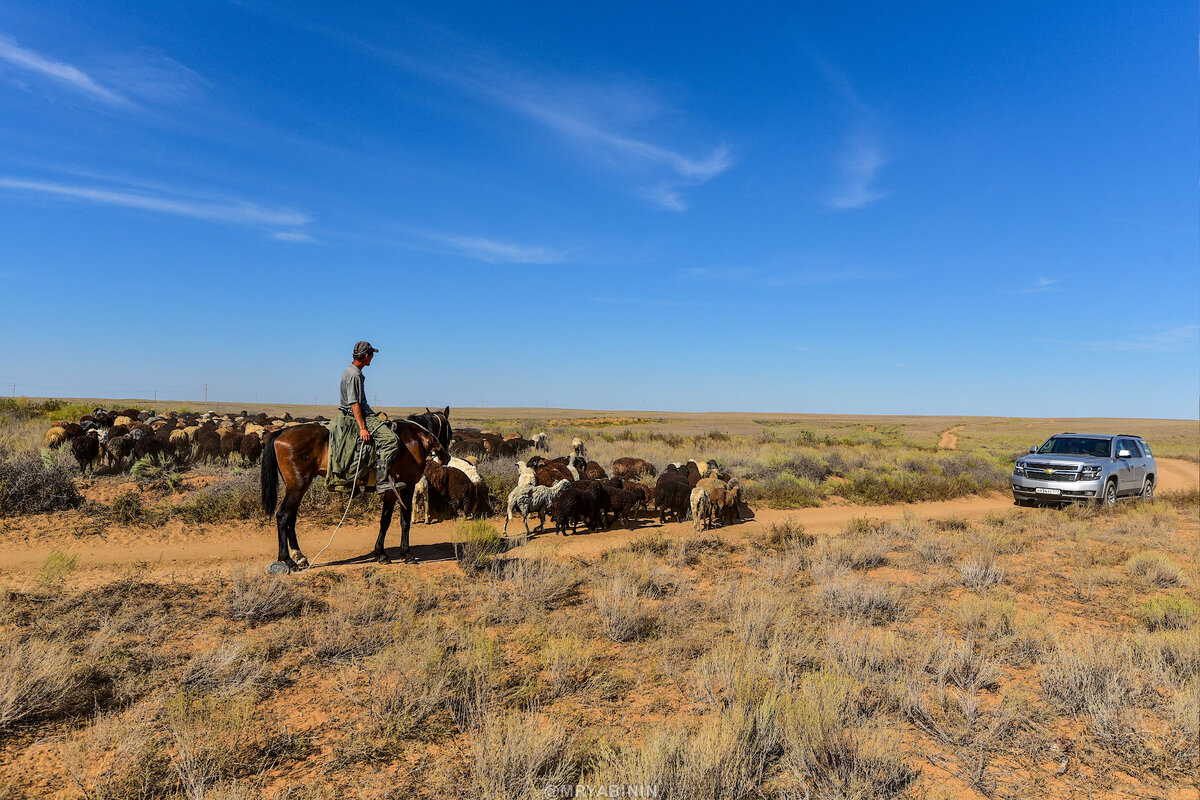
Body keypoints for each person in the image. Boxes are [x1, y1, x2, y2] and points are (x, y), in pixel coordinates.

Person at [339, 341, 404, 495]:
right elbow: (354, 403)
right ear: (366, 356)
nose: (372, 358)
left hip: (363, 412)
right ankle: (382, 482)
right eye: (372, 355)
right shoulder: (354, 374)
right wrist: (363, 428)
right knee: (391, 441)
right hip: (357, 414)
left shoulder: (353, 372)